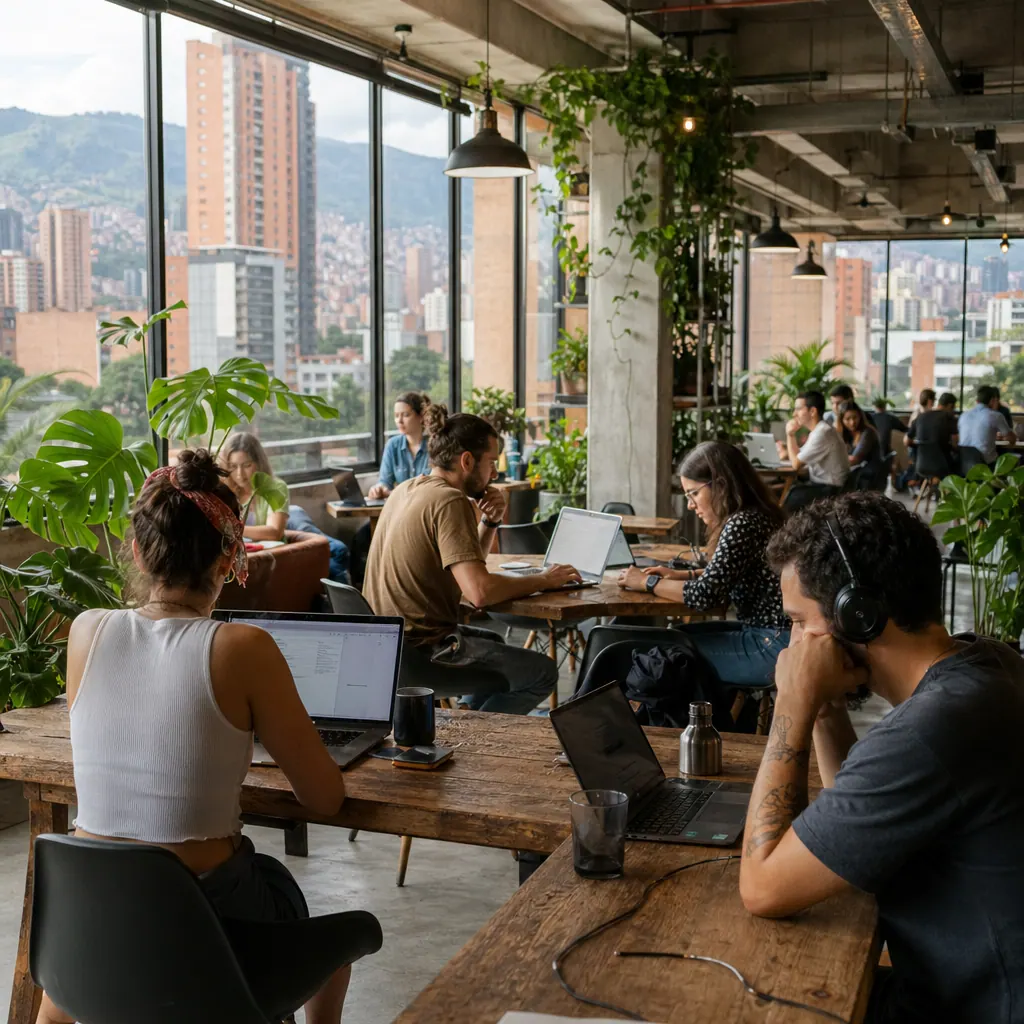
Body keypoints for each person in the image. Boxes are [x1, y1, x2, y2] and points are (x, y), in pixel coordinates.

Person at [37, 450, 353, 1024]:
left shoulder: (85, 632)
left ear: (137, 550)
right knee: (304, 921)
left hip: (90, 938)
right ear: (230, 556)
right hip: (208, 932)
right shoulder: (242, 648)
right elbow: (325, 798)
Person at [739, 491, 1024, 1022]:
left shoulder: (934, 729)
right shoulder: (991, 664)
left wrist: (792, 706)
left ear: (860, 614)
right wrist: (824, 708)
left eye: (800, 622)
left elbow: (762, 887)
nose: (792, 646)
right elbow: (857, 812)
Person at [363, 404, 581, 714]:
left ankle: (468, 720)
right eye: (491, 462)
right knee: (542, 672)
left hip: (387, 651)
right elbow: (480, 592)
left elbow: (466, 572)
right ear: (467, 460)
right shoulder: (449, 500)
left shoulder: (405, 490)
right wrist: (546, 579)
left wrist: (490, 522)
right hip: (424, 653)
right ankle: (476, 736)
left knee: (491, 639)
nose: (494, 473)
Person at [617, 441, 789, 687]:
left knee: (668, 652)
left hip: (772, 644)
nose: (690, 504)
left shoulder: (742, 523)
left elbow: (705, 596)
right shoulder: (759, 514)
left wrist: (647, 581)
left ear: (721, 485)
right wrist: (683, 576)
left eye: (694, 493)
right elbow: (730, 573)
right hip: (774, 636)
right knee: (675, 638)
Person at [220, 432, 349, 582]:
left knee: (337, 553)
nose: (240, 474)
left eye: (247, 465)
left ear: (259, 463)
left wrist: (232, 530)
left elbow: (274, 532)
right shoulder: (224, 490)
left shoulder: (274, 487)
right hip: (241, 559)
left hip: (274, 558)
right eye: (233, 467)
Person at [775, 390, 850, 510]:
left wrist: (790, 435)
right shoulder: (819, 431)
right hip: (824, 486)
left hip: (830, 490)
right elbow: (798, 456)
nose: (794, 414)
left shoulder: (823, 433)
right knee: (782, 490)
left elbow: (796, 464)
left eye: (798, 409)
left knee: (789, 495)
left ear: (812, 411)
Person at [367, 391, 432, 501]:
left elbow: (432, 489)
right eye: (396, 416)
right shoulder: (392, 445)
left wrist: (394, 493)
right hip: (400, 507)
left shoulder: (434, 446)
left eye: (406, 415)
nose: (399, 421)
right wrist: (378, 489)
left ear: (421, 416)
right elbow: (385, 482)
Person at [956, 384, 1015, 467]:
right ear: (992, 400)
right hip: (987, 467)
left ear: (977, 400)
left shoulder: (963, 415)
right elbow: (1012, 439)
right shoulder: (995, 416)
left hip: (964, 464)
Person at [839, 401, 882, 479]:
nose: (852, 422)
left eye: (855, 417)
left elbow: (855, 459)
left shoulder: (867, 432)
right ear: (841, 420)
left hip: (869, 473)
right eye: (847, 419)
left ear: (860, 417)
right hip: (857, 471)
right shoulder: (844, 433)